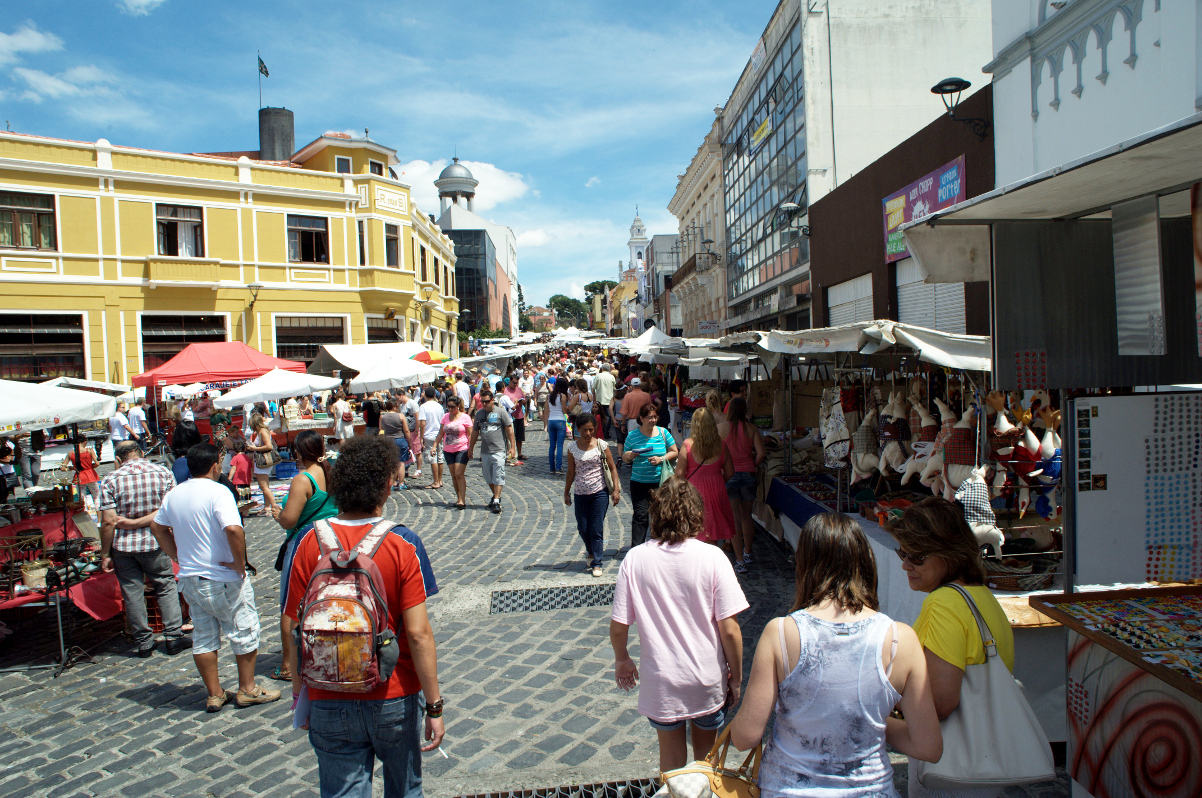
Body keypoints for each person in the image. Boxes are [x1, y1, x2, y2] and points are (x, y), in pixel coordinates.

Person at [727, 512, 943, 795]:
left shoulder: (780, 632)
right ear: (865, 562)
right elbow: (928, 745)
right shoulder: (901, 639)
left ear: (805, 564)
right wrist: (863, 722)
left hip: (788, 789)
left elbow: (745, 737)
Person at [285, 435, 445, 798]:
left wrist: (300, 694)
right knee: (405, 790)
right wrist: (434, 705)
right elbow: (418, 634)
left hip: (327, 693)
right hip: (394, 694)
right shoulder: (403, 543)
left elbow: (294, 626)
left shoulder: (309, 542)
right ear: (387, 485)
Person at [610, 477, 748, 773]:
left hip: (662, 681)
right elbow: (730, 629)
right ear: (697, 514)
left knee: (670, 763)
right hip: (706, 678)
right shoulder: (713, 557)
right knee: (705, 763)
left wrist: (622, 659)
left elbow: (620, 625)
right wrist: (735, 678)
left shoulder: (635, 559)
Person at [890, 497, 1015, 798]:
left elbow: (940, 703)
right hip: (983, 752)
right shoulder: (980, 594)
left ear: (949, 554)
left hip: (951, 764)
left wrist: (880, 717)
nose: (906, 564)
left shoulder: (943, 603)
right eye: (902, 552)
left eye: (917, 556)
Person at [151, 443, 281, 713]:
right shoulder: (219, 491)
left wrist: (176, 555)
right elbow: (234, 529)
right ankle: (247, 689)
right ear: (214, 465)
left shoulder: (174, 494)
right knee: (243, 630)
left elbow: (157, 526)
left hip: (191, 577)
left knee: (204, 636)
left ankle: (214, 693)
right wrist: (239, 562)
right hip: (222, 576)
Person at [99, 441, 190, 658]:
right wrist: (142, 522)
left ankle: (144, 642)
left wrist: (105, 553)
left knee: (132, 592)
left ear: (118, 459)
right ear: (142, 453)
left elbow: (108, 521)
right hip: (156, 540)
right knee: (165, 586)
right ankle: (173, 636)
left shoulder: (111, 479)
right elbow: (169, 510)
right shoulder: (163, 472)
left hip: (124, 546)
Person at [269, 431, 338, 683]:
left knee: (292, 603)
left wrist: (278, 513)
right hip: (330, 541)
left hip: (304, 545)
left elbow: (289, 519)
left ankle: (288, 665)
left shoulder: (303, 479)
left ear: (299, 452)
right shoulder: (330, 472)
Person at [564, 413, 620, 576]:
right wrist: (566, 492)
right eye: (584, 430)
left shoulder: (602, 445)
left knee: (596, 528)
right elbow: (571, 471)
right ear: (578, 429)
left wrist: (615, 489)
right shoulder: (572, 448)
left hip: (599, 492)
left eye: (591, 430)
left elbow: (612, 467)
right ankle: (590, 550)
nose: (588, 433)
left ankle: (597, 561)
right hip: (580, 493)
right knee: (583, 527)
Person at [675, 408, 736, 546]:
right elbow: (730, 472)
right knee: (712, 532)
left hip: (694, 490)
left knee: (694, 531)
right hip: (716, 489)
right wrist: (718, 480)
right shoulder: (721, 445)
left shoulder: (688, 444)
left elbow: (679, 474)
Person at [622, 403, 679, 549]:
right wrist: (630, 455)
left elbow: (674, 451)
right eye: (650, 417)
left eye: (655, 417)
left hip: (660, 482)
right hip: (639, 482)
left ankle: (659, 546)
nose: (653, 420)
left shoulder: (663, 433)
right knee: (640, 516)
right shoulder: (633, 435)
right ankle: (637, 548)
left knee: (660, 515)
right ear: (641, 418)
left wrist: (661, 459)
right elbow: (625, 457)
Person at [723, 397, 765, 573]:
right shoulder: (751, 428)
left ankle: (739, 560)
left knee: (734, 517)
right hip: (748, 474)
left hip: (729, 475)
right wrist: (752, 465)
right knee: (747, 516)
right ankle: (748, 552)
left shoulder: (722, 429)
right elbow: (761, 453)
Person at [467, 389, 515, 514]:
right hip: (485, 450)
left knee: (498, 475)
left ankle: (496, 501)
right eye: (482, 402)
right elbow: (475, 432)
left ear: (492, 400)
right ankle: (495, 496)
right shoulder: (479, 414)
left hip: (499, 449)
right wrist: (471, 448)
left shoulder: (501, 412)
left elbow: (509, 429)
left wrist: (512, 447)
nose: (484, 404)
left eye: (487, 402)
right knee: (488, 477)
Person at [435, 396, 472, 510]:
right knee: (453, 475)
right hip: (448, 450)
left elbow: (470, 434)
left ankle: (462, 500)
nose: (450, 409)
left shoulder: (465, 417)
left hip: (462, 448)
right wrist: (434, 446)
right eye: (448, 407)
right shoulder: (445, 417)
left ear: (458, 406)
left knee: (459, 473)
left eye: (452, 407)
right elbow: (441, 433)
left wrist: (470, 449)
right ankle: (459, 497)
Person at [246, 414, 281, 515]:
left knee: (263, 486)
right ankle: (267, 507)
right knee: (265, 486)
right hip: (261, 461)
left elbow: (268, 446)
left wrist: (254, 449)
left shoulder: (262, 432)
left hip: (264, 461)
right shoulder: (260, 431)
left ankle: (274, 506)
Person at [379, 399, 412, 491]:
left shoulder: (382, 417)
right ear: (394, 407)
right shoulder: (401, 416)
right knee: (401, 462)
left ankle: (392, 483)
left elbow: (381, 429)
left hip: (388, 440)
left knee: (390, 462)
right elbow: (406, 430)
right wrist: (409, 442)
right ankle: (401, 483)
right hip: (400, 440)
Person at [417, 387, 445, 490]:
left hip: (429, 435)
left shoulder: (423, 407)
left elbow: (422, 423)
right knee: (440, 457)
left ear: (424, 395)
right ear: (434, 395)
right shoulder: (439, 406)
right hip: (439, 434)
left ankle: (436, 481)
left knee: (433, 458)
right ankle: (440, 480)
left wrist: (421, 436)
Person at [546, 377, 571, 474]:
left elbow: (546, 411)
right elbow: (564, 411)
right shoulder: (562, 396)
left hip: (551, 421)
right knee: (560, 445)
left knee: (552, 445)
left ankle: (552, 468)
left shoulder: (549, 396)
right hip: (560, 420)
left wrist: (546, 423)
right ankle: (559, 467)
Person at [501, 376, 527, 462]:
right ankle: (510, 454)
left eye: (516, 383)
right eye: (514, 382)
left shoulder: (519, 389)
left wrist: (522, 401)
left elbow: (525, 400)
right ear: (510, 381)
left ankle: (519, 453)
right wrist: (513, 403)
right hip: (509, 416)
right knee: (510, 436)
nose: (515, 385)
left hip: (519, 415)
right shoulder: (505, 391)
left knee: (519, 436)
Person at [593, 363, 616, 441]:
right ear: (609, 369)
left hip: (600, 400)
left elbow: (593, 388)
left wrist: (594, 398)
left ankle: (601, 431)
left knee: (599, 416)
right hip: (609, 400)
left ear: (602, 369)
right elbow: (614, 388)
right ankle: (606, 432)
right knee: (608, 417)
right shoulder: (611, 377)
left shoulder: (598, 376)